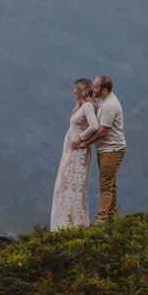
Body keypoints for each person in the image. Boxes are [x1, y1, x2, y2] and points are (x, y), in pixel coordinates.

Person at [73, 75, 126, 225]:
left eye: (95, 87)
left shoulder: (109, 106)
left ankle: (101, 219)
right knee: (111, 182)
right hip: (107, 149)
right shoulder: (105, 101)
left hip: (111, 149)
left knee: (105, 184)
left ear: (104, 90)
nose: (92, 89)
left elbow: (102, 131)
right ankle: (112, 215)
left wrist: (85, 142)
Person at [50, 78, 99, 231]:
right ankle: (67, 222)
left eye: (76, 88)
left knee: (70, 185)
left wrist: (81, 137)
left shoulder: (88, 106)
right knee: (65, 184)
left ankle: (70, 223)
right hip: (71, 151)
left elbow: (94, 126)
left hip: (78, 153)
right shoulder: (82, 106)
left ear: (82, 90)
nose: (73, 91)